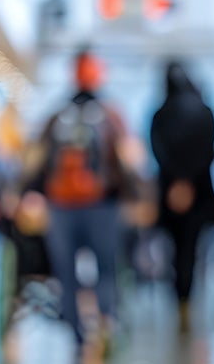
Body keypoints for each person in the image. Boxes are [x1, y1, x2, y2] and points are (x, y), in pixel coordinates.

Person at [24, 49, 134, 348]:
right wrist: (133, 195)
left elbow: (38, 162)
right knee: (107, 268)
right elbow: (126, 162)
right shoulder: (111, 116)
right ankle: (107, 324)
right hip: (103, 205)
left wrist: (27, 192)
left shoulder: (58, 115)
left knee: (66, 272)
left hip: (61, 207)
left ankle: (75, 332)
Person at [149, 61, 214, 333]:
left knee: (175, 250)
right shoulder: (205, 112)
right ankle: (189, 300)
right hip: (199, 191)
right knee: (192, 247)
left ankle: (179, 299)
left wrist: (176, 181)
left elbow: (157, 150)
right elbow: (210, 150)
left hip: (168, 192)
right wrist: (189, 181)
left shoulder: (160, 114)